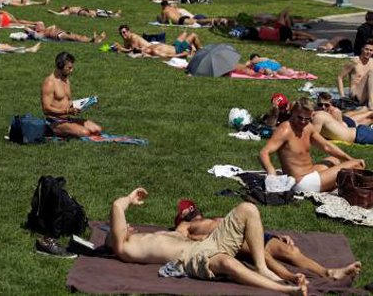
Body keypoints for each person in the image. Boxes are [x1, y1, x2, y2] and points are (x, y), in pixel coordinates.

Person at [107, 188, 306, 295]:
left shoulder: (152, 236)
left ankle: (262, 267)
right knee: (227, 263)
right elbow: (117, 206)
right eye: (125, 226)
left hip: (208, 244)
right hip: (191, 257)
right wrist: (130, 198)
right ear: (116, 236)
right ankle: (285, 289)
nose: (129, 225)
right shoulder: (126, 247)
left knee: (248, 208)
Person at [174, 199, 361, 283]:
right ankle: (288, 278)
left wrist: (275, 234)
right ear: (182, 216)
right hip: (232, 241)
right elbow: (178, 240)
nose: (190, 210)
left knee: (290, 251)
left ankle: (328, 272)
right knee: (264, 257)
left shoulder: (213, 218)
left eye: (192, 207)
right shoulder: (186, 226)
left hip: (249, 233)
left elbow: (250, 222)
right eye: (186, 210)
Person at [259, 98, 365, 192]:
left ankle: (335, 185)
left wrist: (349, 158)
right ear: (293, 112)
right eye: (299, 117)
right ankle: (342, 186)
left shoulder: (307, 127)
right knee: (358, 165)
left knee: (335, 160)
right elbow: (264, 153)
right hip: (301, 183)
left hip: (310, 173)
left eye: (307, 119)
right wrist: (271, 173)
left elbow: (326, 146)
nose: (303, 122)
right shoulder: (285, 129)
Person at [41, 52, 102, 138]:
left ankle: (69, 128)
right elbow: (46, 109)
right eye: (69, 68)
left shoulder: (66, 80)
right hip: (54, 121)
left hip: (67, 119)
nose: (71, 70)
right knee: (85, 133)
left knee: (97, 129)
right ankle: (50, 131)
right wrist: (67, 111)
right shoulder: (50, 83)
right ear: (60, 66)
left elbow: (67, 102)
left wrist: (86, 102)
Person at [114, 24, 201, 59]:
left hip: (174, 46)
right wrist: (184, 54)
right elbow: (170, 55)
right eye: (121, 33)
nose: (122, 34)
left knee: (185, 33)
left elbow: (131, 49)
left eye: (124, 32)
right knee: (193, 35)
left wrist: (120, 48)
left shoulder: (136, 39)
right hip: (178, 49)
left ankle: (193, 47)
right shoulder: (154, 51)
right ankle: (200, 51)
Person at [337, 39, 373, 108]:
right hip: (356, 95)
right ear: (362, 49)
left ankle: (370, 101)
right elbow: (339, 77)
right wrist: (342, 97)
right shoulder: (354, 62)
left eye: (371, 50)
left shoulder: (372, 62)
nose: (368, 52)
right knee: (371, 73)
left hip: (368, 95)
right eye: (366, 49)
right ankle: (371, 105)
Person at [26, 22, 106, 44]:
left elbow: (53, 25)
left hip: (61, 32)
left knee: (77, 36)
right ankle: (94, 40)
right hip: (58, 35)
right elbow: (27, 29)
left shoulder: (46, 29)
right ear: (37, 30)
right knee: (75, 37)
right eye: (38, 26)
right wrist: (31, 28)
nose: (41, 26)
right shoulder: (39, 34)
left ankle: (93, 39)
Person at [158, 1, 224, 26]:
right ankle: (215, 21)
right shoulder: (173, 8)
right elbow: (179, 14)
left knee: (198, 21)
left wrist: (159, 19)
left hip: (181, 21)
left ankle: (215, 19)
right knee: (198, 21)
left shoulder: (164, 11)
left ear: (162, 6)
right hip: (183, 17)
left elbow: (163, 22)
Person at [48, 6, 120, 18]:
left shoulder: (71, 7)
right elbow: (58, 14)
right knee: (97, 14)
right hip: (83, 12)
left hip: (85, 10)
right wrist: (51, 11)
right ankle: (114, 15)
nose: (62, 6)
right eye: (62, 8)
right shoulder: (67, 11)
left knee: (97, 11)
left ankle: (113, 12)